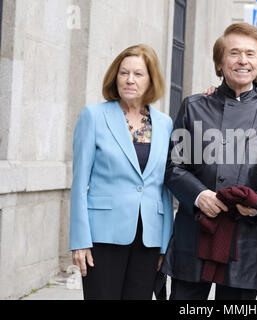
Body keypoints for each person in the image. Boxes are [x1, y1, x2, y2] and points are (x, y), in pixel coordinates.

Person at [160, 22, 257, 300]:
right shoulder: (193, 106)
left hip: (246, 239)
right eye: (234, 53)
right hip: (195, 232)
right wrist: (199, 195)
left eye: (251, 54)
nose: (243, 60)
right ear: (220, 64)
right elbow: (174, 166)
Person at [70, 44, 174, 300]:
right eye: (123, 73)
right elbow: (79, 182)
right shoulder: (93, 116)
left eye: (138, 74)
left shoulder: (165, 123)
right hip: (103, 236)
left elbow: (165, 189)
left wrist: (165, 244)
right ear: (114, 77)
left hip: (148, 238)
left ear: (151, 80)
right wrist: (80, 240)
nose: (129, 80)